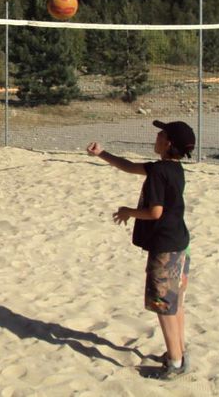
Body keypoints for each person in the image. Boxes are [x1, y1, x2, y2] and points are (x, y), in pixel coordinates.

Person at [86, 119, 195, 380]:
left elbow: (154, 212)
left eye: (161, 134)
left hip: (165, 248)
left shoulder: (159, 172)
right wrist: (102, 153)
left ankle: (175, 364)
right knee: (175, 303)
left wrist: (128, 212)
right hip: (180, 243)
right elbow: (130, 166)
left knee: (163, 306)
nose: (156, 136)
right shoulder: (173, 169)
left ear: (167, 144)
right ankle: (178, 352)